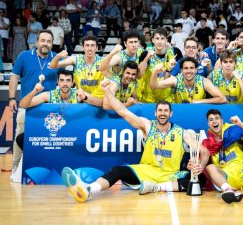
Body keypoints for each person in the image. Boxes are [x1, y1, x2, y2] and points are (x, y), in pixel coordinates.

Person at [62, 86, 210, 203]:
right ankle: (87, 190)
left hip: (170, 175)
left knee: (199, 179)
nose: (162, 113)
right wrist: (107, 92)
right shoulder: (147, 126)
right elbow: (122, 111)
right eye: (160, 110)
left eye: (166, 111)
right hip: (146, 171)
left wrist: (200, 167)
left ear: (171, 114)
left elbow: (205, 152)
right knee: (117, 170)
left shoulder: (182, 133)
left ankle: (155, 188)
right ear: (155, 113)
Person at [9, 30, 58, 180]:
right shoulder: (24, 56)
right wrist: (12, 98)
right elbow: (14, 77)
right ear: (37, 42)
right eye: (43, 40)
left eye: (49, 41)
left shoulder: (56, 59)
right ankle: (15, 167)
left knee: (49, 139)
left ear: (52, 43)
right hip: (27, 106)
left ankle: (49, 167)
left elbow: (65, 80)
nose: (45, 44)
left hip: (49, 109)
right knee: (20, 136)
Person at [49, 36, 104, 102]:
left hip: (97, 101)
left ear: (97, 48)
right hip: (80, 100)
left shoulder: (103, 62)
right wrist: (58, 55)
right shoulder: (76, 60)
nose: (90, 48)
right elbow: (52, 66)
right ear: (83, 48)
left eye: (92, 45)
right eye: (87, 45)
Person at [150, 57, 227, 104]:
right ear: (182, 70)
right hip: (179, 113)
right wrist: (155, 71)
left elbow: (223, 99)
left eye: (191, 68)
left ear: (196, 70)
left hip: (199, 112)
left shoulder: (204, 81)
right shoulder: (175, 80)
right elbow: (154, 86)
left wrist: (200, 102)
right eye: (186, 68)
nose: (189, 71)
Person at [137, 28, 182, 103]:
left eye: (162, 38)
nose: (160, 42)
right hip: (149, 99)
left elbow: (181, 74)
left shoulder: (175, 52)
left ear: (166, 40)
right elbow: (139, 76)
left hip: (169, 99)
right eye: (157, 38)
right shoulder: (145, 53)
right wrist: (146, 59)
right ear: (153, 40)